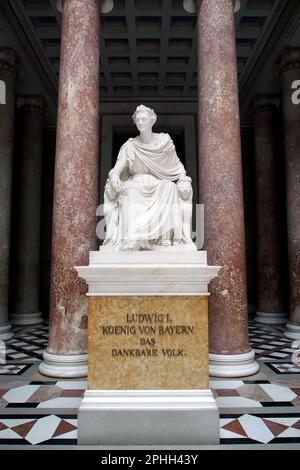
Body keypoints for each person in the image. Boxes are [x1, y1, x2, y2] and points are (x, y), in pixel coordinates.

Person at [102, 104, 196, 251]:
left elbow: (178, 168)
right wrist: (114, 176)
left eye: (143, 119)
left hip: (158, 184)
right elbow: (116, 170)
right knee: (130, 192)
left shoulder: (164, 142)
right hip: (136, 184)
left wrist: (184, 180)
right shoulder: (130, 146)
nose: (140, 122)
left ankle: (162, 238)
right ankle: (133, 237)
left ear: (152, 120)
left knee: (170, 187)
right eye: (137, 120)